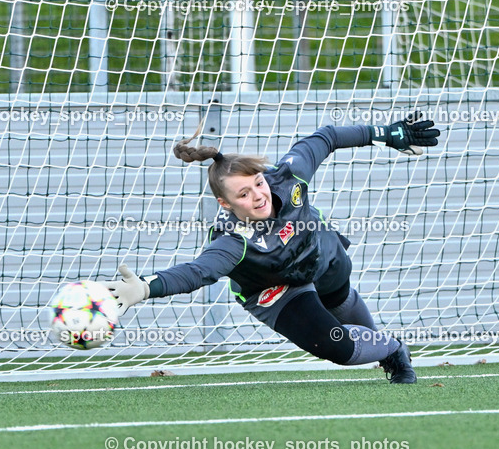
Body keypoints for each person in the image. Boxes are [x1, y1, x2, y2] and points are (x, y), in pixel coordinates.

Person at [99, 112, 440, 384]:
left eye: (258, 183)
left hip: (319, 253)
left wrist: (385, 134)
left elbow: (327, 137)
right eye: (243, 194)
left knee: (340, 296)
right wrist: (146, 287)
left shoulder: (289, 176)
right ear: (226, 203)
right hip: (275, 288)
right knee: (335, 345)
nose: (258, 195)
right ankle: (394, 349)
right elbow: (199, 271)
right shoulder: (232, 241)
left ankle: (387, 354)